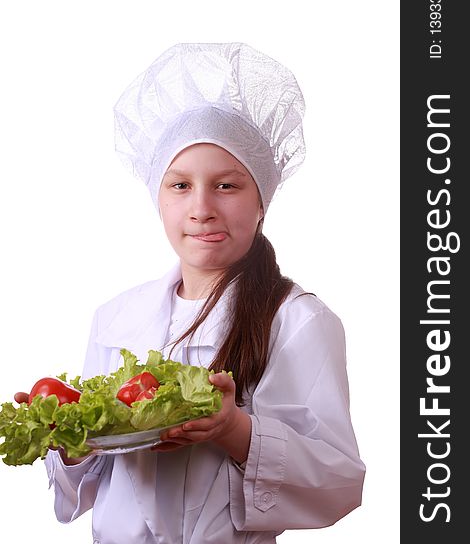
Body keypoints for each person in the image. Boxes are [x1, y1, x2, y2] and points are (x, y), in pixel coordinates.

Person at [16, 43, 365, 543]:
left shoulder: (297, 321)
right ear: (158, 197)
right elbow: (89, 484)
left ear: (262, 201)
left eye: (227, 186)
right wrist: (70, 441)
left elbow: (340, 483)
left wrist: (235, 431)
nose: (201, 208)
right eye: (180, 186)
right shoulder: (116, 318)